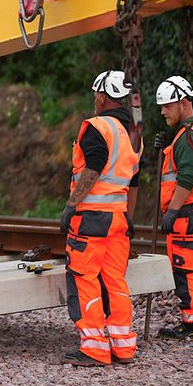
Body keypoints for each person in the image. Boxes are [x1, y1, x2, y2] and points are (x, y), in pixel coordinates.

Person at [59, 70, 140, 366]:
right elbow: (134, 182)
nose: (95, 99)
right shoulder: (133, 134)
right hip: (118, 220)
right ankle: (123, 346)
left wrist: (71, 204)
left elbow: (92, 168)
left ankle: (93, 347)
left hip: (92, 219)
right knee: (115, 281)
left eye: (96, 94)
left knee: (84, 277)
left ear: (104, 97)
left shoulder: (97, 126)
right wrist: (129, 218)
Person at [152, 75, 193, 339]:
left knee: (186, 267)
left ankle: (191, 324)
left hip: (189, 212)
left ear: (182, 103)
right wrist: (169, 144)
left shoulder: (190, 134)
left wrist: (172, 210)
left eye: (167, 105)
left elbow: (188, 176)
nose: (162, 111)